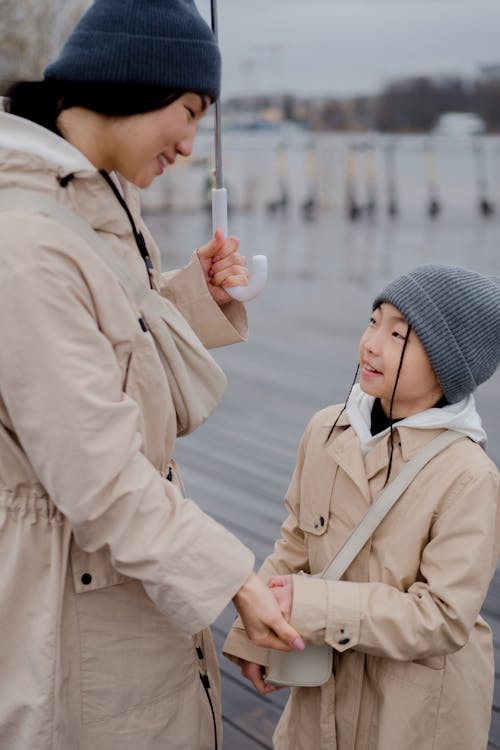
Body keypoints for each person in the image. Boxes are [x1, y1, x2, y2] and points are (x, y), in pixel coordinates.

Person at [0, 2, 305, 749]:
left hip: (116, 570)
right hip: (67, 592)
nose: (191, 145)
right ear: (135, 83)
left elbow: (104, 343)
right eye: (190, 112)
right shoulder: (28, 239)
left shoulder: (85, 203)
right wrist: (235, 580)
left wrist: (189, 294)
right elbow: (98, 477)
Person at [224, 263, 500, 750]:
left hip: (413, 717)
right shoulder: (328, 430)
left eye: (399, 334)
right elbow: (295, 541)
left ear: (447, 363)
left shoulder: (468, 475)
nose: (371, 343)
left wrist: (314, 606)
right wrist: (255, 634)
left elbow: (443, 617)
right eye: (373, 321)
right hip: (323, 698)